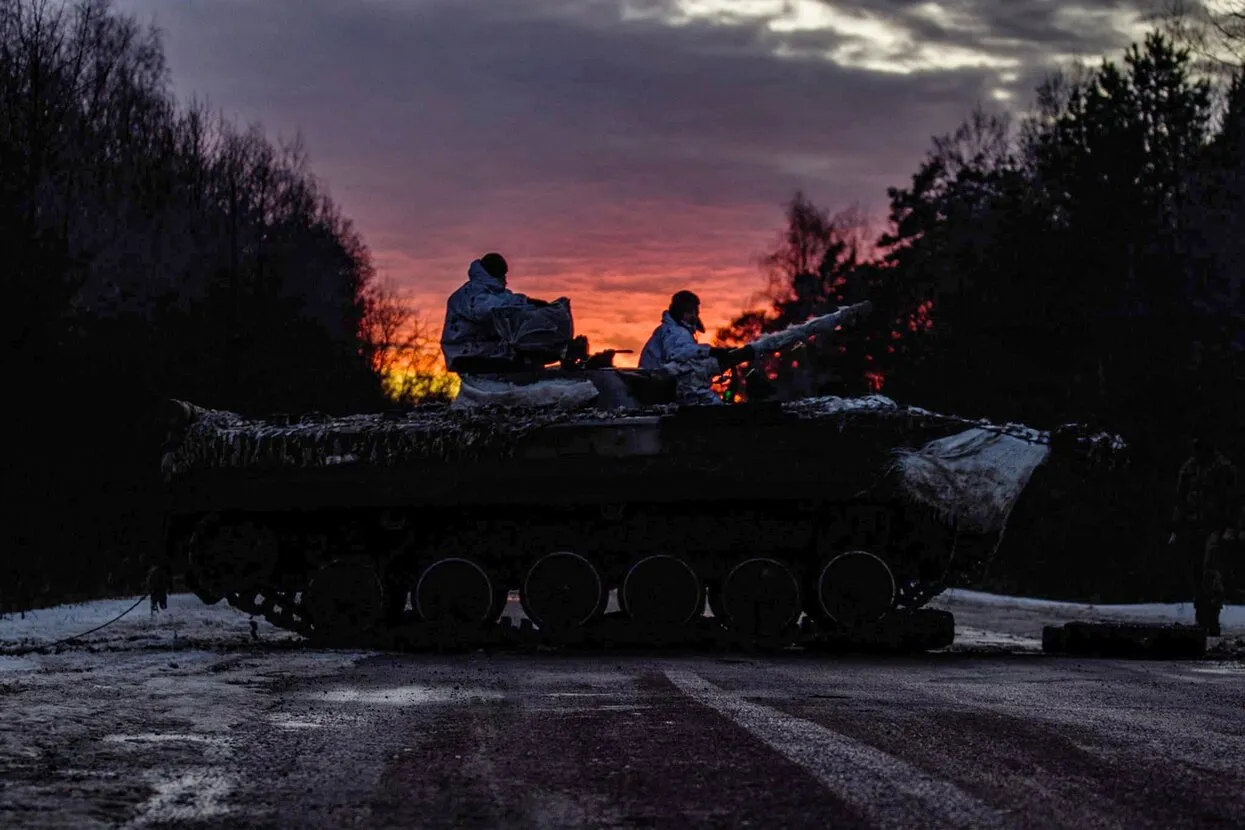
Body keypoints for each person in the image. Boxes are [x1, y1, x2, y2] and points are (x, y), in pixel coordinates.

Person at [1170, 437, 1238, 635]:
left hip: (1215, 526)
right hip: (1193, 526)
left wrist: (1231, 528)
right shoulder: (1189, 468)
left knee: (1210, 569)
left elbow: (1232, 500)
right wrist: (1176, 526)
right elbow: (1180, 498)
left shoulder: (1223, 468)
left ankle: (1212, 617)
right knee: (1196, 571)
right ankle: (1201, 617)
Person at [441, 253, 553, 372]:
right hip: (467, 353)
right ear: (494, 274)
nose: (505, 279)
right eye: (502, 274)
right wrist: (523, 305)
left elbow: (508, 301)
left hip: (486, 350)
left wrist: (530, 303)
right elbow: (488, 309)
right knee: (524, 365)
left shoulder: (494, 293)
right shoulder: (471, 293)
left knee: (529, 356)